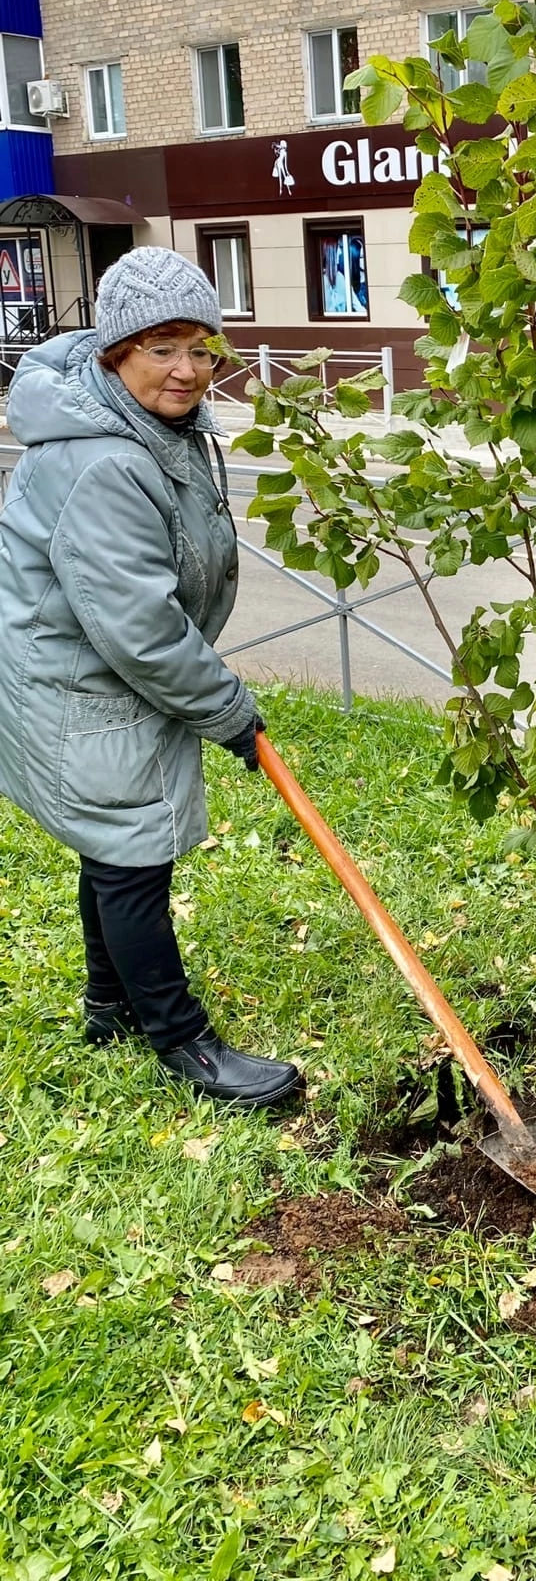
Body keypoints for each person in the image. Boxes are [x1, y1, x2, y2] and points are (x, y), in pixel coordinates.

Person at [0, 247, 301, 1107]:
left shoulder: (145, 425)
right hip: (81, 683)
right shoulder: (105, 459)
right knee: (134, 855)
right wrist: (229, 711)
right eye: (161, 347)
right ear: (113, 351)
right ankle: (183, 1041)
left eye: (201, 348)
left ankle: (109, 1006)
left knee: (111, 848)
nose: (187, 370)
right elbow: (140, 629)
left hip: (79, 668)